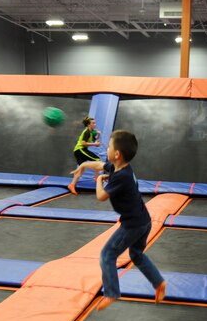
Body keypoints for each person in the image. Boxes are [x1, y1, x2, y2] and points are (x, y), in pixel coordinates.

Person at [69, 130, 166, 311]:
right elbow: (99, 164)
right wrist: (83, 166)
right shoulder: (119, 168)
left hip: (133, 225)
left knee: (107, 255)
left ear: (117, 154)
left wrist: (98, 181)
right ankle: (159, 283)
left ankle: (112, 293)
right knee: (136, 255)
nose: (106, 150)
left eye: (109, 147)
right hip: (144, 220)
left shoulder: (121, 177)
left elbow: (101, 196)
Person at [67, 116, 101, 194]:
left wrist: (98, 136)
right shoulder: (87, 132)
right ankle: (96, 178)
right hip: (80, 149)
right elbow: (84, 143)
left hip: (81, 150)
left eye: (95, 123)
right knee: (97, 160)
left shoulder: (91, 132)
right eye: (93, 123)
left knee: (81, 169)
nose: (95, 124)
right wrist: (94, 144)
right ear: (89, 125)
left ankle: (72, 185)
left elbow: (95, 142)